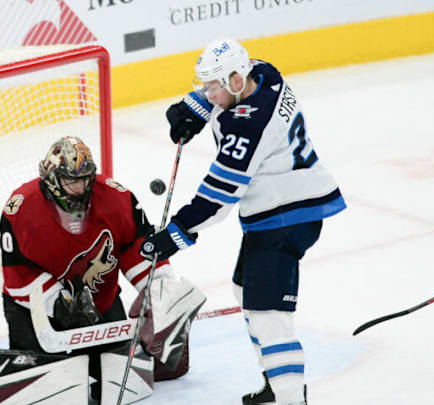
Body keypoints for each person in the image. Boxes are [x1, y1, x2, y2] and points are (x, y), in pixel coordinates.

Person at [139, 39, 346, 405]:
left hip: (286, 216)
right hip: (282, 205)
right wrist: (197, 106)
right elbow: (234, 85)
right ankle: (277, 381)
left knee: (268, 313)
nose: (210, 93)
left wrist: (177, 233)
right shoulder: (265, 74)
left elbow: (217, 200)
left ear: (237, 80)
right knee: (244, 291)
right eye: (207, 86)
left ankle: (290, 397)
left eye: (215, 87)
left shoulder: (248, 128)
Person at [0, 136, 200, 402]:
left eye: (86, 178)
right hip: (36, 310)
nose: (82, 187)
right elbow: (17, 273)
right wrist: (59, 304)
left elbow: (137, 248)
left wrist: (158, 292)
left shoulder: (117, 198)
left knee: (116, 378)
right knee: (48, 386)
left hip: (100, 302)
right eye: (73, 180)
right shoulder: (21, 208)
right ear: (51, 179)